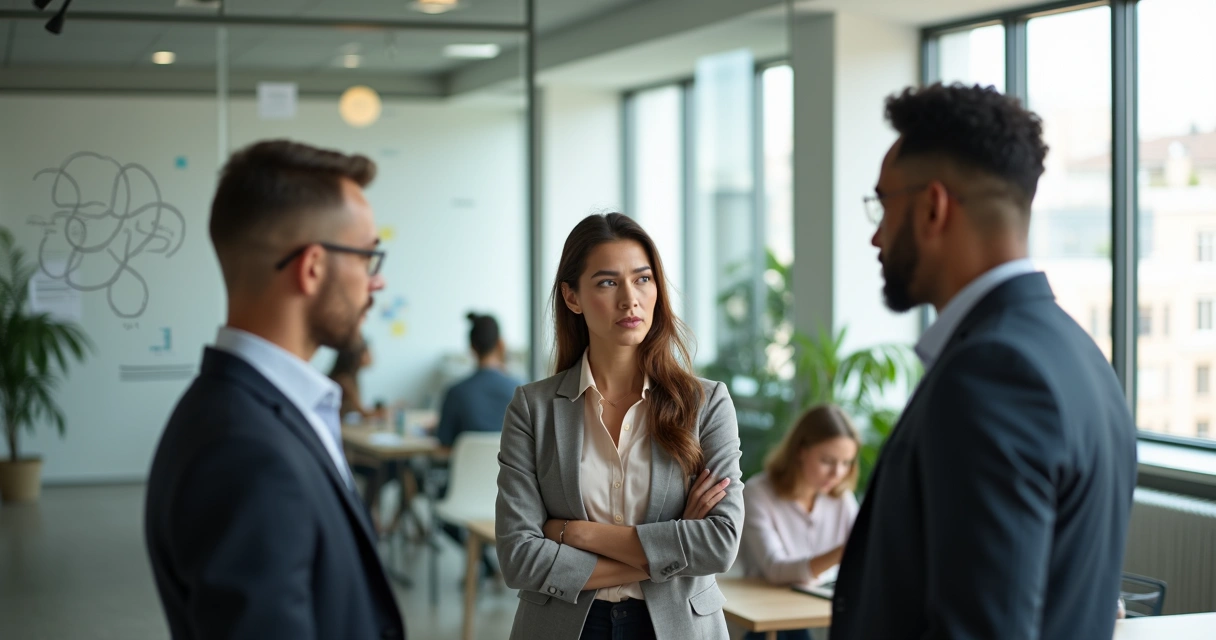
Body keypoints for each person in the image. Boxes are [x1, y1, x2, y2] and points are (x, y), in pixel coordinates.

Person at [830, 83, 1138, 640]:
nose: (875, 235)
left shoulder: (993, 374)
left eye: (883, 204)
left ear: (932, 207)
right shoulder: (1080, 356)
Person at [143, 140, 406, 640]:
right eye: (368, 257)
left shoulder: (245, 412)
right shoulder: (243, 450)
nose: (377, 283)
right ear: (312, 268)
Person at [495, 213, 743, 640]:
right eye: (607, 282)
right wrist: (671, 545)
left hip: (676, 626)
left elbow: (719, 543)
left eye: (643, 279)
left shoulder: (706, 403)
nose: (630, 299)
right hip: (562, 626)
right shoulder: (532, 408)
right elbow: (519, 558)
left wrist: (577, 533)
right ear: (572, 297)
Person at [739, 404, 860, 640]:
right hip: (767, 611)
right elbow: (776, 569)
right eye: (828, 460)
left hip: (816, 605)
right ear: (800, 451)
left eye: (846, 463)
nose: (837, 473)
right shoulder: (758, 493)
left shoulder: (841, 498)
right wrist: (846, 550)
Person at [434, 312, 520, 450]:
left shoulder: (455, 392)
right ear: (500, 344)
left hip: (465, 471)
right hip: (511, 471)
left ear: (472, 347)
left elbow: (444, 443)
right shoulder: (521, 389)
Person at [329, 336, 386, 423]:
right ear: (357, 355)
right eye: (367, 352)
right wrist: (381, 412)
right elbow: (363, 413)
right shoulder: (345, 380)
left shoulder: (351, 378)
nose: (371, 356)